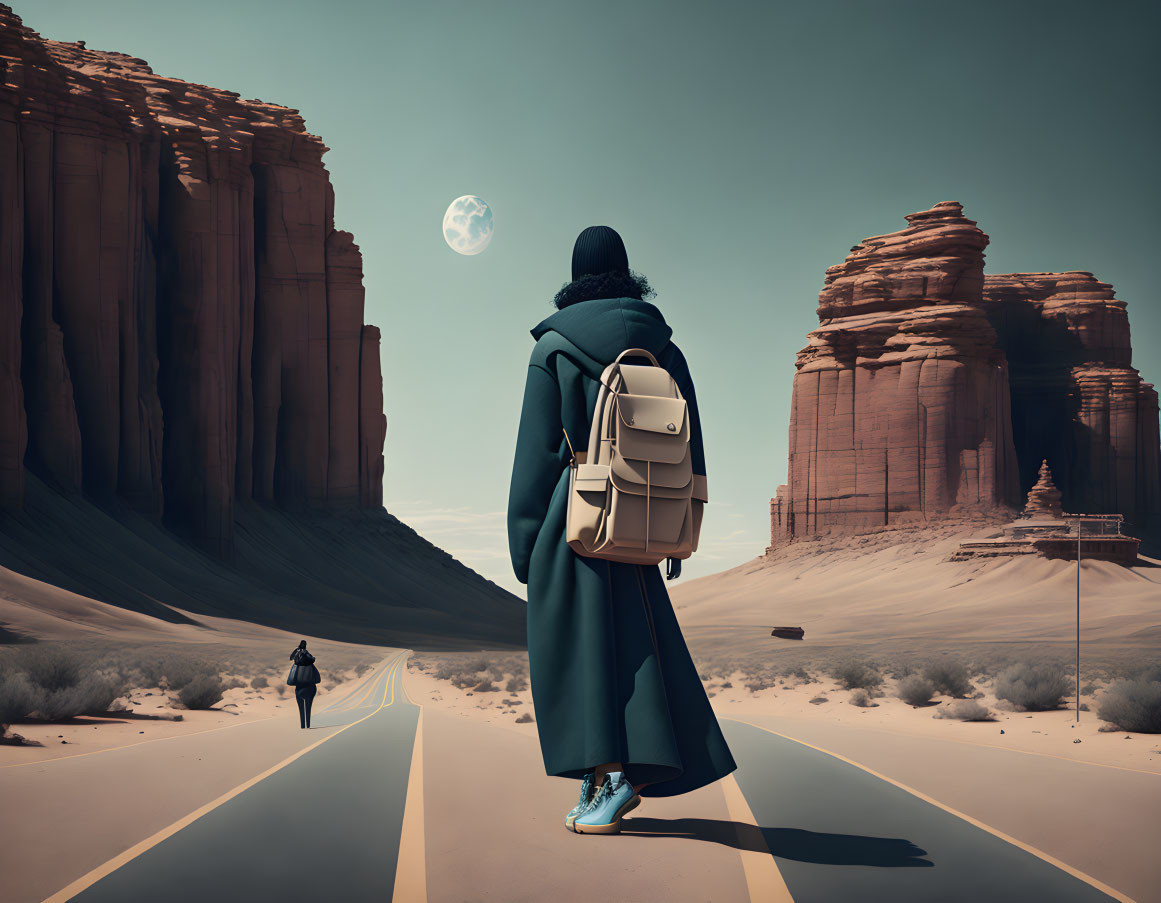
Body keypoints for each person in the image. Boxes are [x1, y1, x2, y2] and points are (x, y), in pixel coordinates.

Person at [507, 225, 736, 836]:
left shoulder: (553, 346)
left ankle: (609, 780)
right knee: (639, 645)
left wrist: (525, 542)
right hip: (644, 515)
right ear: (627, 273)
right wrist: (682, 526)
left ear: (575, 274)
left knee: (575, 653)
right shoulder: (668, 348)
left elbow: (536, 457)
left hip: (575, 517)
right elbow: (692, 447)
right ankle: (606, 782)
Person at [287, 640, 321, 729]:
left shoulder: (297, 653)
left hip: (299, 687)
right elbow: (313, 659)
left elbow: (290, 658)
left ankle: (302, 726)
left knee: (301, 708)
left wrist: (296, 651)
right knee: (308, 707)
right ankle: (308, 725)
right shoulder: (307, 654)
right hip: (310, 686)